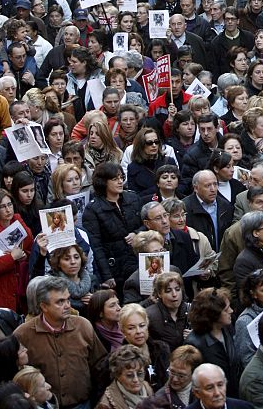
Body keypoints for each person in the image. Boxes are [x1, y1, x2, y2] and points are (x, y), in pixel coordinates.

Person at [13, 276, 107, 409]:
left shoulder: (83, 326)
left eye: (68, 299)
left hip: (84, 404)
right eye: (60, 302)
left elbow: (100, 365)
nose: (67, 305)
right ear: (44, 306)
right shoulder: (23, 334)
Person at [82, 161, 142, 292]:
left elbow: (146, 223)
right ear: (104, 182)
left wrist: (136, 233)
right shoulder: (93, 209)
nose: (120, 181)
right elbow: (96, 246)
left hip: (137, 260)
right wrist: (106, 275)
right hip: (115, 267)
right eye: (115, 179)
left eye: (121, 177)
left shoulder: (133, 198)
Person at [120, 303, 171, 393]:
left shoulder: (162, 348)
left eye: (142, 325)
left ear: (147, 326)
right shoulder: (119, 359)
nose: (138, 331)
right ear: (123, 331)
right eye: (131, 328)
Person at [146, 271, 190, 352]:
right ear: (159, 293)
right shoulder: (150, 316)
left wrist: (194, 337)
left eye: (177, 289)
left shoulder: (191, 311)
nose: (174, 294)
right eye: (168, 291)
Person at [186, 364, 254, 409]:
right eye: (210, 388)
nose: (217, 393)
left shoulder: (244, 407)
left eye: (220, 385)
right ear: (197, 393)